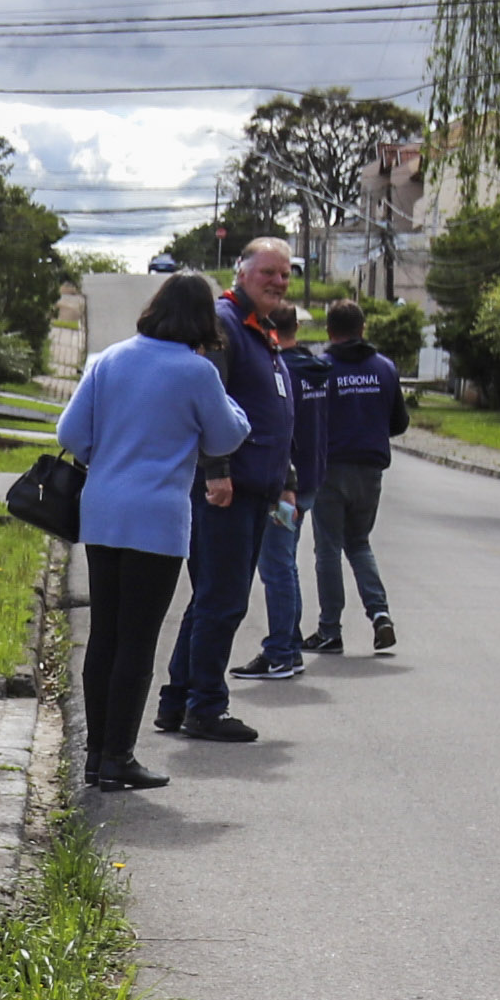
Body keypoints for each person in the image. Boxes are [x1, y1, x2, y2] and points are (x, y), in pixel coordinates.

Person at [57, 274, 252, 790]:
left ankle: (96, 754)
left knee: (104, 635)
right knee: (137, 642)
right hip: (157, 519)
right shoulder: (197, 372)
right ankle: (121, 756)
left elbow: (70, 433)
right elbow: (227, 434)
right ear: (201, 320)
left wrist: (111, 457)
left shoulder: (109, 359)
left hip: (102, 512)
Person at [158, 238, 300, 742]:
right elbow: (208, 404)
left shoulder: (261, 331)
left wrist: (286, 482)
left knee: (211, 598)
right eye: (268, 272)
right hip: (226, 489)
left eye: (285, 274)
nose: (278, 282)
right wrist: (217, 470)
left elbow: (273, 414)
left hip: (257, 488)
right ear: (242, 272)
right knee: (223, 600)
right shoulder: (225, 327)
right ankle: (206, 707)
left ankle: (177, 700)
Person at [302, 300, 409, 653]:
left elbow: (308, 420)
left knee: (328, 548)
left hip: (330, 467)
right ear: (363, 329)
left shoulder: (321, 368)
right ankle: (380, 614)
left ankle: (330, 629)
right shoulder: (385, 368)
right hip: (370, 468)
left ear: (330, 331)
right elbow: (399, 422)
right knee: (359, 542)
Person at [238, 306, 332, 680]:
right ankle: (288, 644)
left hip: (283, 484)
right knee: (285, 565)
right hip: (311, 479)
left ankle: (280, 651)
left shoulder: (280, 370)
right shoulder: (317, 371)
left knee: (276, 566)